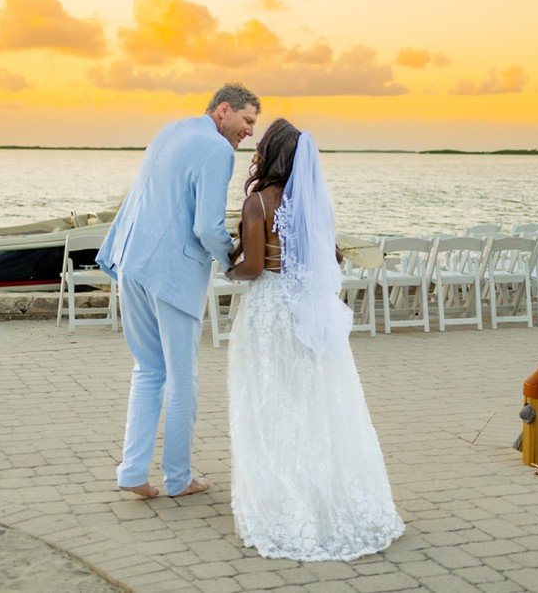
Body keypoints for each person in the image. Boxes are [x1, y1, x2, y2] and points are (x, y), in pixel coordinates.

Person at [225, 119, 404, 561]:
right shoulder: (316, 202)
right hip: (307, 311)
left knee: (270, 403)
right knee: (313, 402)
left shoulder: (256, 203)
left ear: (271, 155)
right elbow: (330, 254)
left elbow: (251, 268)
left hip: (269, 311)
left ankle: (282, 499)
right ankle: (325, 493)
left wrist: (226, 269)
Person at [96, 83, 261, 499]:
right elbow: (206, 226)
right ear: (224, 109)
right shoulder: (217, 150)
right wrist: (230, 261)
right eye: (247, 121)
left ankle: (132, 470)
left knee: (149, 371)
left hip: (132, 261)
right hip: (172, 275)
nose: (249, 133)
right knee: (182, 378)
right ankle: (178, 477)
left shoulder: (169, 131)